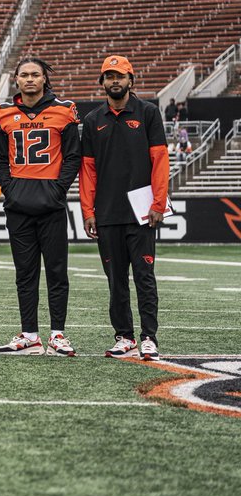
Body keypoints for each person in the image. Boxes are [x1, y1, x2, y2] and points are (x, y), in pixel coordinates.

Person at [79, 55, 169, 361]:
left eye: (120, 76)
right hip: (106, 215)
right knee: (116, 281)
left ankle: (149, 338)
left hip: (142, 214)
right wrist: (88, 211)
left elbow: (159, 160)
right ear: (102, 82)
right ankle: (124, 337)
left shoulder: (148, 113)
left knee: (145, 277)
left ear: (131, 80)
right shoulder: (92, 120)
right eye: (109, 76)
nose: (114, 81)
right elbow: (88, 170)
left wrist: (158, 202)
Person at [0, 58, 80, 357]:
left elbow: (72, 158)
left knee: (57, 272)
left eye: (35, 75)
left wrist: (58, 189)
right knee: (25, 273)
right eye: (24, 75)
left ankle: (57, 334)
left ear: (45, 79)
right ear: (16, 79)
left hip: (51, 204)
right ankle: (30, 334)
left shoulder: (63, 110)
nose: (30, 79)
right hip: (19, 205)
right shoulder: (4, 113)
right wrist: (10, 188)